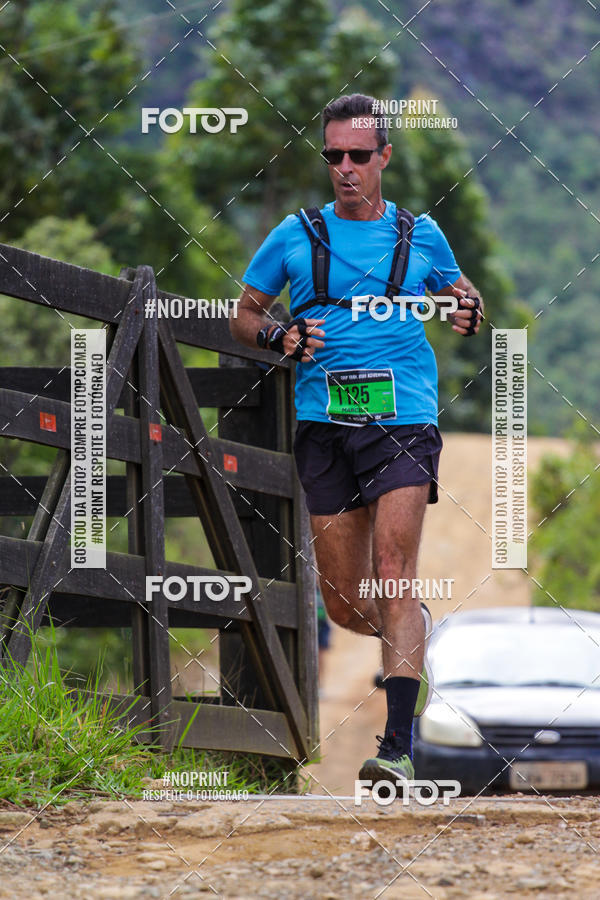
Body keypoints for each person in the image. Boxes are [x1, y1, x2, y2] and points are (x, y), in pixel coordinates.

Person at [230, 93, 483, 787]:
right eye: (334, 155)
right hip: (324, 426)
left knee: (394, 571)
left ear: (384, 158)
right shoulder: (295, 234)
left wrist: (465, 310)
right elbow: (244, 315)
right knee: (343, 604)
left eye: (359, 156)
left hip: (403, 420)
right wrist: (279, 335)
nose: (345, 167)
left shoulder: (421, 234)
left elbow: (462, 295)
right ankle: (412, 626)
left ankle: (396, 749)